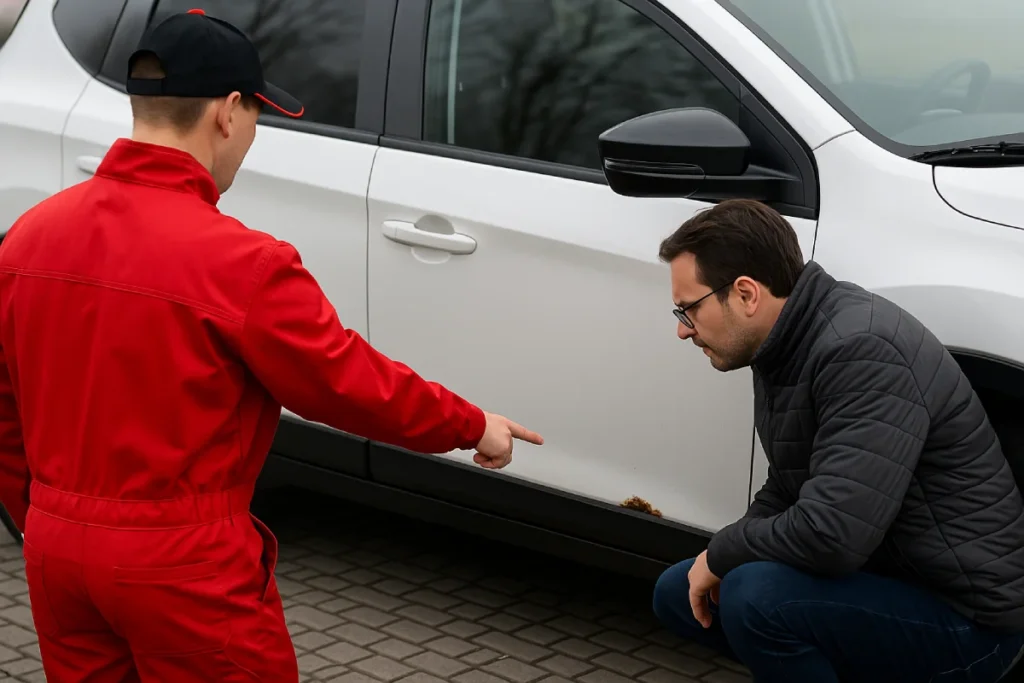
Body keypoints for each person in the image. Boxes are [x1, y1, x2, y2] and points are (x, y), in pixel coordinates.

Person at [0, 9, 543, 682]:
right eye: (257, 116)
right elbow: (348, 382)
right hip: (181, 563)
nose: (252, 135)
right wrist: (471, 424)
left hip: (57, 552)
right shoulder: (241, 263)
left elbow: (5, 406)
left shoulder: (28, 236)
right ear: (228, 112)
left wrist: (44, 518)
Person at [650, 199, 1024, 683]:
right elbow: (789, 488)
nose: (683, 329)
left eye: (689, 308)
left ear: (745, 294)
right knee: (677, 593)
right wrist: (716, 559)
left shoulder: (862, 350)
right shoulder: (784, 342)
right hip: (888, 579)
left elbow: (832, 535)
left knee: (753, 598)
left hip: (967, 619)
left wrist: (724, 553)